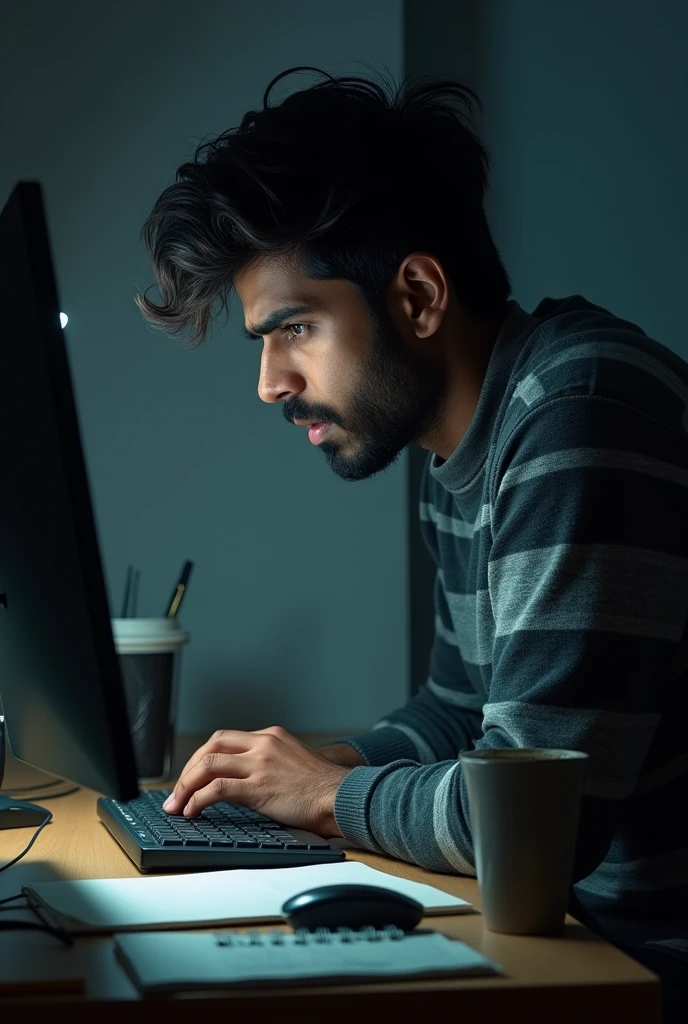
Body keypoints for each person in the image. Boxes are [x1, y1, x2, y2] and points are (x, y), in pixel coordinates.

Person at [136, 67, 688, 1018]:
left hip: (648, 967)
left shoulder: (575, 417)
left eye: (295, 329)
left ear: (420, 296)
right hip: (591, 946)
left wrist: (321, 796)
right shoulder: (471, 445)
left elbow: (532, 832)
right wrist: (313, 774)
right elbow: (458, 710)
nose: (271, 383)